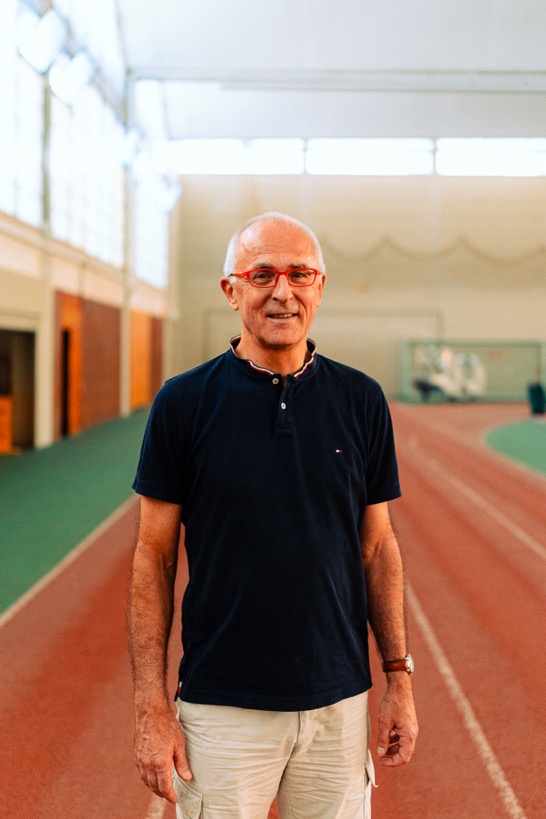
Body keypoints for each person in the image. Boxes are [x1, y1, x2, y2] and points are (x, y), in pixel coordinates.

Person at [128, 212, 418, 818]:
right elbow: (153, 557)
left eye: (299, 274)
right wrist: (151, 707)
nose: (282, 292)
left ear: (319, 285)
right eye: (262, 274)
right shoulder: (184, 403)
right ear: (232, 290)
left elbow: (377, 548)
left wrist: (399, 679)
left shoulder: (361, 400)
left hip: (339, 705)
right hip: (222, 707)